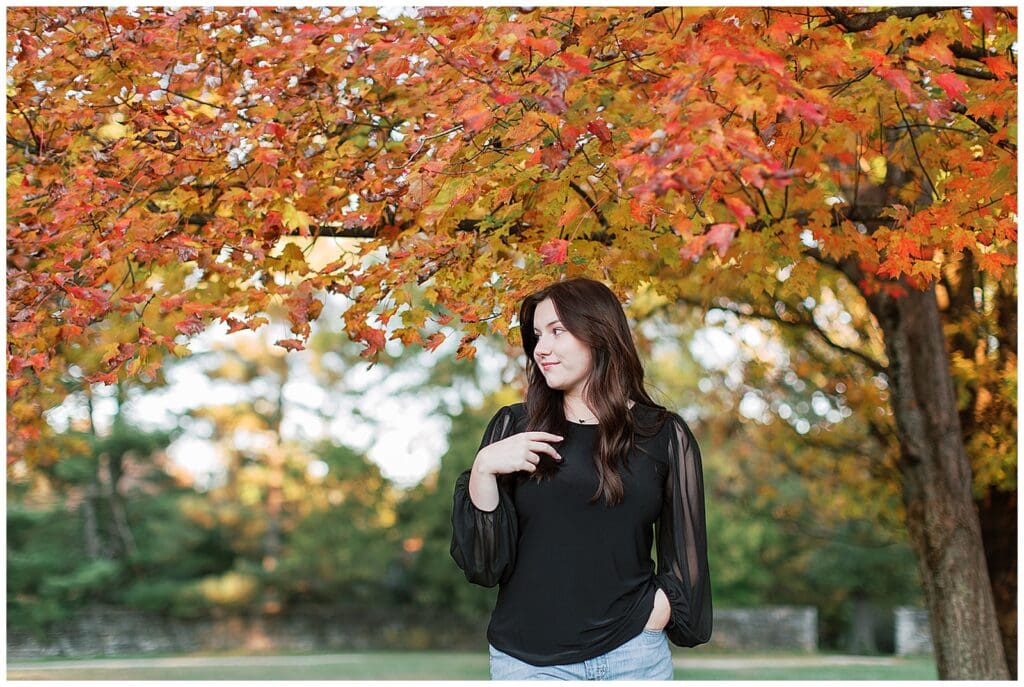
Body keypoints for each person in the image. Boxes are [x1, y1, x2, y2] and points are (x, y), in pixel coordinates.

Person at [450, 277, 712, 680]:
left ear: (600, 333)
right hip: (529, 663)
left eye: (557, 331)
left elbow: (687, 557)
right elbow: (484, 567)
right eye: (538, 335)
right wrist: (483, 468)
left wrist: (655, 614)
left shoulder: (662, 434)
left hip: (634, 655)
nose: (541, 348)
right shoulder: (514, 427)